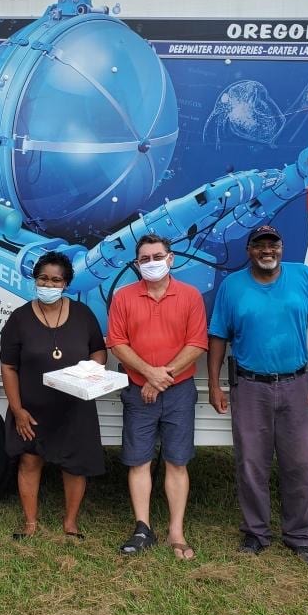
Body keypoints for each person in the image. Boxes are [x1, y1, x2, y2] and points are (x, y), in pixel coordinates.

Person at [207, 224, 308, 566]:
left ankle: (299, 536)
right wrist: (214, 385)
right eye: (259, 245)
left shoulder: (304, 277)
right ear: (249, 250)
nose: (268, 251)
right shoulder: (232, 286)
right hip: (248, 386)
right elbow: (217, 337)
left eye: (273, 244)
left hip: (296, 384)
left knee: (299, 464)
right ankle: (256, 533)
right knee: (251, 462)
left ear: (282, 247)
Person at [106, 234, 208, 557]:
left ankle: (176, 532)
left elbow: (197, 344)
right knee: (139, 461)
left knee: (177, 461)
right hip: (138, 391)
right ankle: (142, 528)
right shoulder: (123, 297)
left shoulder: (191, 297)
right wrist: (149, 374)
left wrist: (161, 377)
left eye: (157, 256)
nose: (151, 263)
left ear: (171, 258)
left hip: (178, 392)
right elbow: (118, 343)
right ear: (137, 264)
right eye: (144, 259)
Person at [0, 251, 107, 540]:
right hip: (32, 409)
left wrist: (92, 368)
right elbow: (8, 367)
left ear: (66, 283)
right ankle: (30, 524)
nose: (48, 285)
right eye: (43, 278)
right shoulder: (19, 319)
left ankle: (70, 524)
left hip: (74, 407)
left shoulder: (83, 315)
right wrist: (17, 409)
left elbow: (99, 350)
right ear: (35, 279)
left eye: (56, 280)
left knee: (74, 466)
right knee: (30, 461)